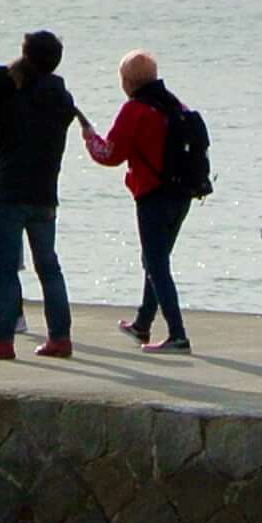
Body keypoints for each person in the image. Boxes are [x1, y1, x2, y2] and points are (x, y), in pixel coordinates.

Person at [0, 29, 82, 362]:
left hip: (10, 188)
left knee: (6, 267)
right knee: (49, 266)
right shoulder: (62, 100)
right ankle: (60, 337)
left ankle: (2, 339)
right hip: (45, 191)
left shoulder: (11, 95)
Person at [84, 50, 200, 354]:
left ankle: (177, 334)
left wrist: (89, 138)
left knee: (156, 263)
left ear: (127, 81)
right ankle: (143, 323)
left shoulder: (135, 110)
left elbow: (110, 154)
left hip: (153, 195)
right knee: (156, 259)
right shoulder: (177, 105)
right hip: (183, 193)